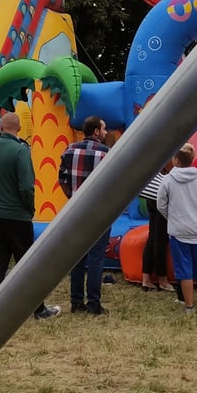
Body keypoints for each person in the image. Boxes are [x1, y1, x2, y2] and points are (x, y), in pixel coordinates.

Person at [0, 111, 60, 319]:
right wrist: (29, 209)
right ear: (19, 128)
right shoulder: (20, 151)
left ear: (0, 127)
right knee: (26, 264)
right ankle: (38, 309)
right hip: (17, 215)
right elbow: (26, 187)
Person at [156, 143, 197, 314]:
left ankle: (189, 306)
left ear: (176, 160)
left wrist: (172, 218)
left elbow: (161, 204)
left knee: (184, 269)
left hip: (178, 231)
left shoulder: (168, 180)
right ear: (192, 159)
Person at [58, 115, 110, 315]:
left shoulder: (69, 149)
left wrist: (72, 197)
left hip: (76, 210)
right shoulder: (106, 153)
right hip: (98, 211)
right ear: (96, 131)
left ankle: (76, 301)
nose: (106, 133)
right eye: (104, 129)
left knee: (77, 256)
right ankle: (94, 303)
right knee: (96, 258)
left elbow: (62, 179)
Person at [139, 166, 176, 292]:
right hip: (160, 195)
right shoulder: (168, 160)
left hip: (152, 194)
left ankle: (146, 278)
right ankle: (162, 280)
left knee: (153, 237)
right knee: (161, 239)